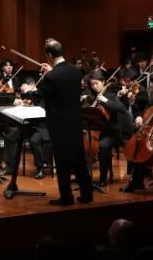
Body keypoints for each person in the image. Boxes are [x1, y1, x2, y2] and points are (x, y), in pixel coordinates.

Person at [22, 39, 94, 206]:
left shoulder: (51, 76)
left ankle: (66, 197)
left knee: (62, 161)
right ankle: (87, 194)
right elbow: (62, 85)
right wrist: (51, 71)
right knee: (78, 159)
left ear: (49, 55)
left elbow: (39, 95)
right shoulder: (75, 71)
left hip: (59, 124)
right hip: (75, 121)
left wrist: (26, 91)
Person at [85, 72, 130, 186]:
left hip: (111, 133)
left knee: (103, 146)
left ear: (103, 83)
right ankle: (82, 176)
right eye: (92, 84)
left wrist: (105, 100)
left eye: (96, 83)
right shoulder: (91, 96)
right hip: (95, 132)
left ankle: (103, 177)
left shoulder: (110, 95)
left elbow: (122, 109)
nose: (94, 86)